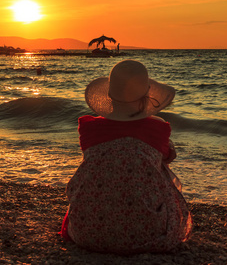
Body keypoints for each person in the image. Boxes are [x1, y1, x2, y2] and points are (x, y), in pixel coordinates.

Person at [60, 59, 192, 254]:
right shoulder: (157, 128)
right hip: (147, 233)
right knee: (158, 164)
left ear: (110, 95)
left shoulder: (90, 128)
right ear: (147, 94)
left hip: (87, 232)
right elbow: (168, 157)